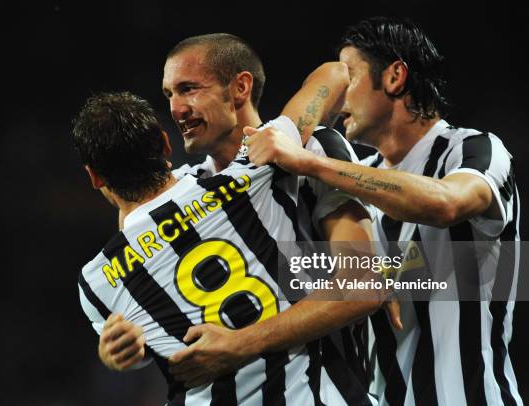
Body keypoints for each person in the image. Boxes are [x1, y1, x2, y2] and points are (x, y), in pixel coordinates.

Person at [224, 17, 521, 406]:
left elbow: (446, 204)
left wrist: (307, 162)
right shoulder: (355, 189)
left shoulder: (471, 150)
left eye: (350, 78)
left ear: (395, 76)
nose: (338, 97)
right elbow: (312, 280)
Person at [99, 33, 389, 405]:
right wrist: (122, 347)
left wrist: (239, 345)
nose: (175, 109)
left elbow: (364, 285)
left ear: (240, 88)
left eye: (188, 89)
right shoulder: (186, 190)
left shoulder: (312, 150)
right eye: (169, 94)